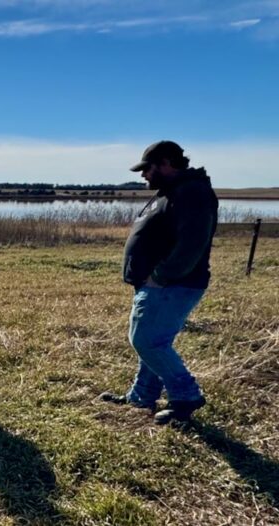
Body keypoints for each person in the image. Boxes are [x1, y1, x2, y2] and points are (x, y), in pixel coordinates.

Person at [101, 141, 218, 425]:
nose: (143, 176)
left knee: (147, 340)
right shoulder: (173, 191)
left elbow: (192, 244)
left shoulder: (191, 192)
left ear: (166, 162)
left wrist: (160, 277)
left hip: (171, 285)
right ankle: (141, 396)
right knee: (152, 341)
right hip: (160, 285)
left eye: (147, 169)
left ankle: (186, 396)